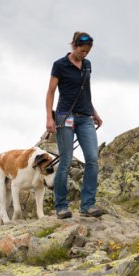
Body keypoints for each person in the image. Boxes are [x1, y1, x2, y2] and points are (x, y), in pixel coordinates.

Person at [45, 31, 104, 219]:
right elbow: (51, 92)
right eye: (82, 50)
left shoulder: (87, 65)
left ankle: (88, 204)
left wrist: (94, 113)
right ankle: (61, 206)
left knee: (92, 159)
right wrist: (49, 118)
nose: (84, 54)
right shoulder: (59, 65)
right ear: (74, 45)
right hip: (65, 116)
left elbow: (86, 91)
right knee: (66, 162)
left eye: (87, 51)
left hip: (85, 116)